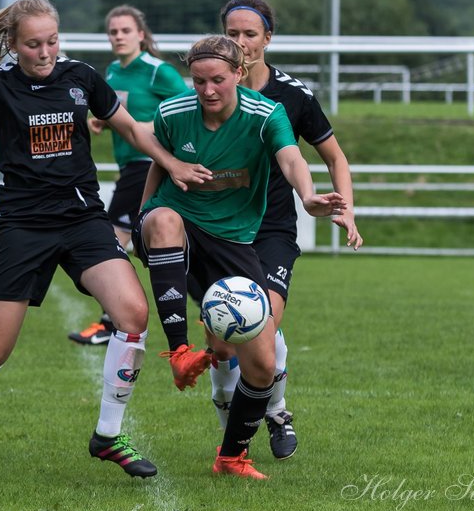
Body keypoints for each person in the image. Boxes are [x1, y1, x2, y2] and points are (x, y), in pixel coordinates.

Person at [0, 0, 211, 479]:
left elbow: (131, 128)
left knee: (132, 313)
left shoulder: (82, 78)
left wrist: (172, 164)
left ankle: (109, 435)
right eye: (33, 44)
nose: (46, 52)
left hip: (82, 219)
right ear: (13, 43)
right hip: (21, 226)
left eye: (52, 41)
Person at [133, 35, 346, 479]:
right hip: (183, 225)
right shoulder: (173, 111)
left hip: (235, 240)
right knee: (163, 221)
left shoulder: (267, 114)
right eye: (198, 82)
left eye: (217, 81)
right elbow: (159, 159)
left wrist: (307, 197)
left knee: (263, 363)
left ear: (238, 74)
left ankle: (231, 456)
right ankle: (178, 354)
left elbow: (291, 159)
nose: (207, 90)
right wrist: (144, 213)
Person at [215, 0, 363, 461]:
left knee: (261, 326)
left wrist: (347, 210)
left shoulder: (293, 96)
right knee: (221, 342)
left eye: (250, 34)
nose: (240, 43)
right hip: (217, 230)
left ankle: (276, 411)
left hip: (272, 230)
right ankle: (232, 431)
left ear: (268, 39)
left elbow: (335, 156)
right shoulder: (210, 90)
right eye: (232, 34)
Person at [69, 5, 188, 346]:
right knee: (153, 244)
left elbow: (186, 114)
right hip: (129, 166)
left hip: (147, 163)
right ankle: (209, 301)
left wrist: (134, 127)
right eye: (113, 32)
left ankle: (111, 322)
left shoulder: (157, 71)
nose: (118, 37)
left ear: (141, 34)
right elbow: (114, 112)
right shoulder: (112, 73)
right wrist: (102, 122)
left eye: (125, 30)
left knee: (112, 239)